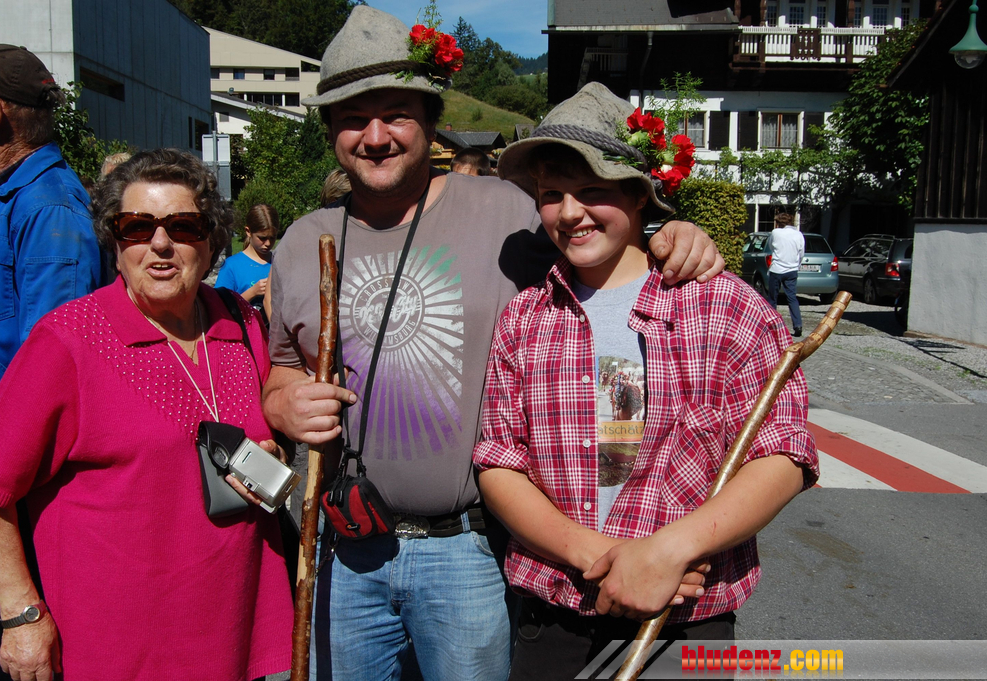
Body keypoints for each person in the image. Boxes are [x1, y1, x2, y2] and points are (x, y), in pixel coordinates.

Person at [261, 7, 725, 680]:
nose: (376, 136)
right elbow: (281, 370)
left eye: (396, 114)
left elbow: (600, 241)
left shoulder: (508, 212)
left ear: (430, 119)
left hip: (468, 552)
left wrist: (670, 234)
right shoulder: (304, 241)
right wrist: (282, 404)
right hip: (346, 548)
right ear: (331, 129)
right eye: (354, 118)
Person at [473, 83, 819, 679]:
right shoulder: (525, 318)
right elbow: (500, 463)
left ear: (639, 194)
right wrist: (605, 558)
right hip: (556, 616)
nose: (570, 212)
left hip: (685, 620)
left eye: (593, 191)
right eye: (552, 195)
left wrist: (668, 550)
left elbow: (783, 453)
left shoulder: (724, 307)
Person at [0, 149, 293, 681]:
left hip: (232, 628)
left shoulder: (240, 324)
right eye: (137, 227)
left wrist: (272, 451)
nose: (160, 243)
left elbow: (265, 429)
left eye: (183, 226)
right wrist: (21, 614)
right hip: (118, 646)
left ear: (210, 240)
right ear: (114, 240)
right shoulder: (67, 341)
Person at [0, 44, 103, 452]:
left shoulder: (49, 210)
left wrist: (4, 468)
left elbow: (53, 366)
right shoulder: (7, 198)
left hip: (5, 454)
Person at [216, 203, 278, 308]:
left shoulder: (278, 262)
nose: (268, 243)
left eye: (272, 237)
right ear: (248, 232)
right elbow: (220, 306)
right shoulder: (232, 266)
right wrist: (252, 292)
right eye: (262, 238)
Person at [767, 212, 806, 337]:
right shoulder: (798, 234)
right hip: (792, 270)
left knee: (772, 298)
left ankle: (772, 326)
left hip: (777, 269)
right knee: (792, 298)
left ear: (778, 223)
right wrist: (796, 265)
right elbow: (801, 253)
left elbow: (771, 246)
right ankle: (797, 324)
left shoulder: (775, 233)